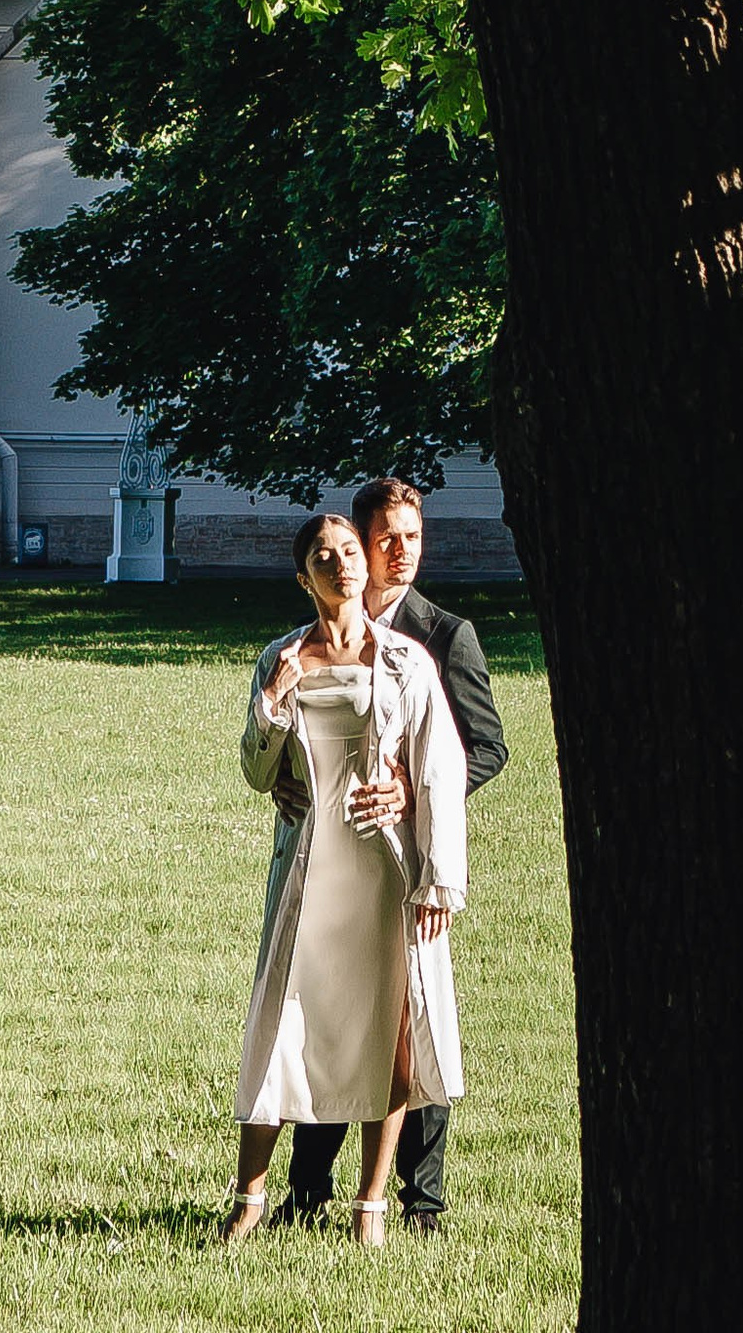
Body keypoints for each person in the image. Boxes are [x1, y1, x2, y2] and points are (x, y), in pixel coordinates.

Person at [222, 507, 468, 1248]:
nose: (342, 564)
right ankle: (249, 1197)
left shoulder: (406, 662)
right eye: (323, 557)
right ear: (305, 577)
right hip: (307, 864)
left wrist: (437, 877)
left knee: (390, 1030)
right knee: (283, 1022)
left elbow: (440, 766)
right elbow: (256, 770)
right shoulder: (281, 657)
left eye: (350, 551)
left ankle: (371, 1207)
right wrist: (273, 706)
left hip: (381, 866)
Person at [278, 472, 507, 1234]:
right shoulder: (315, 633)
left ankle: (421, 1201)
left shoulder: (445, 635)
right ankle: (306, 1193)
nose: (402, 552)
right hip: (330, 857)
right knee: (328, 1016)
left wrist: (412, 792)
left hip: (409, 858)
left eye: (413, 538)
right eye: (386, 540)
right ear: (358, 545)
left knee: (415, 1021)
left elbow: (485, 747)